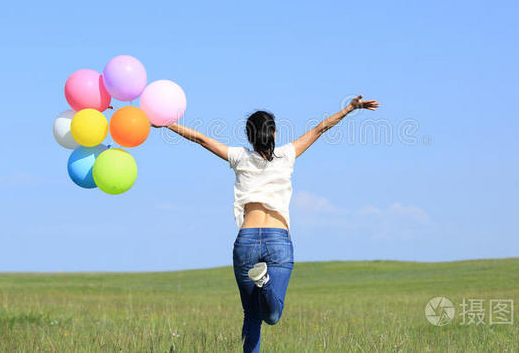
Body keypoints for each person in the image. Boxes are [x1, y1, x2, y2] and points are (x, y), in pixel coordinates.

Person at [155, 95, 379, 352]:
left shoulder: (239, 156)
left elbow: (201, 139)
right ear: (273, 133)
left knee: (251, 315)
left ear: (250, 137)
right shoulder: (287, 154)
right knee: (272, 316)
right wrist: (350, 109)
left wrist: (167, 124)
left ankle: (262, 283)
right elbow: (321, 128)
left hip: (246, 240)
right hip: (277, 239)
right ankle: (264, 282)